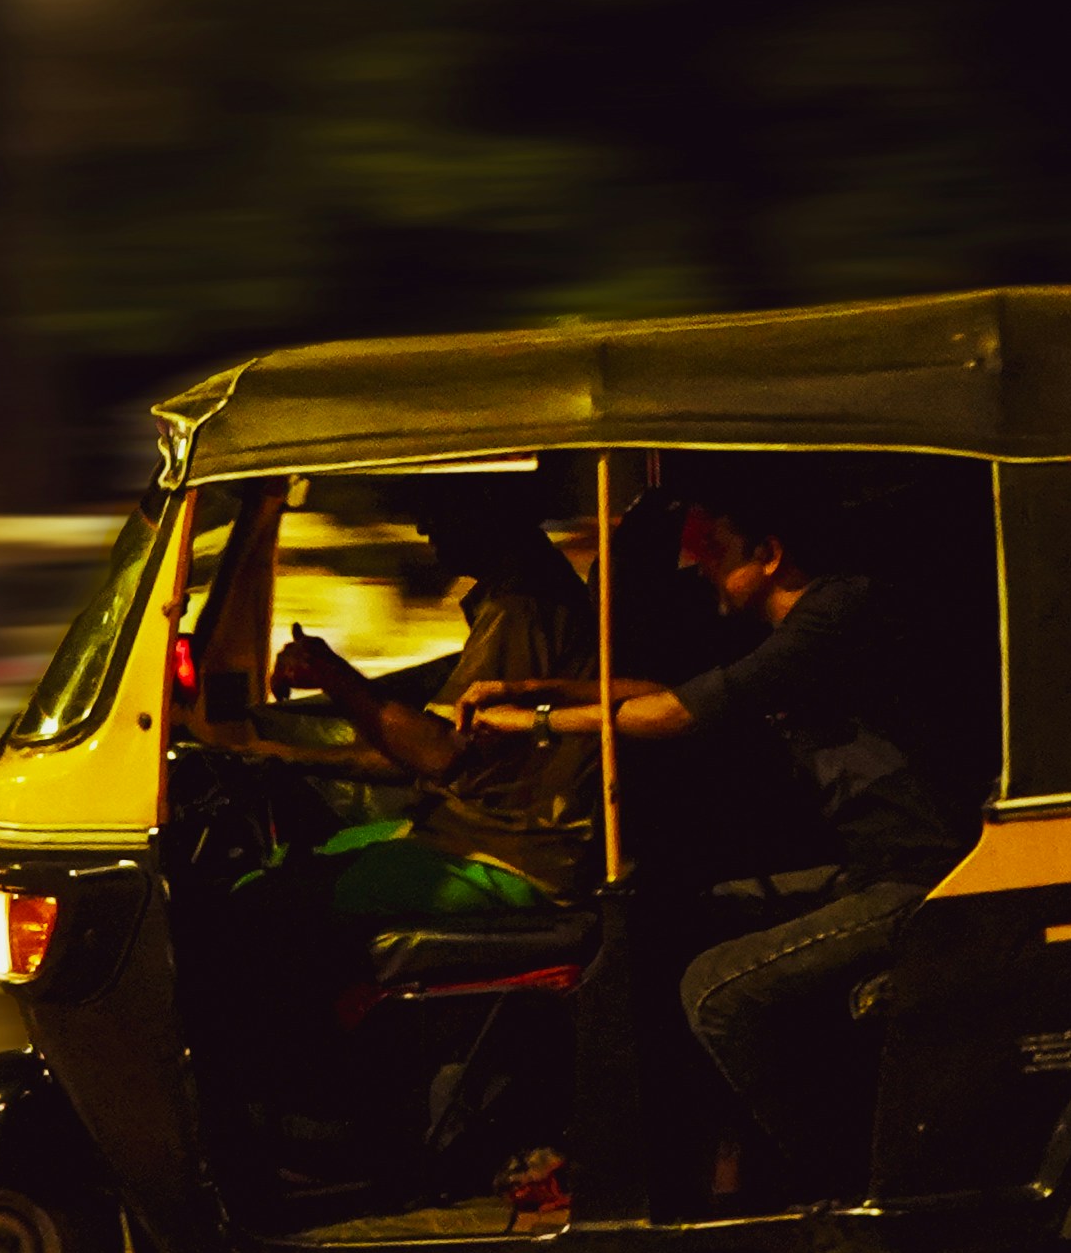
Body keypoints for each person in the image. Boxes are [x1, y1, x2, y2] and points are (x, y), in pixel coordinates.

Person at [464, 468, 963, 1194]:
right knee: (685, 922)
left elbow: (672, 717)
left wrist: (530, 725)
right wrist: (526, 688)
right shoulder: (801, 630)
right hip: (871, 866)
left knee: (715, 988)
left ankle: (851, 1182)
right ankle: (709, 1165)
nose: (700, 562)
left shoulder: (839, 613)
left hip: (921, 875)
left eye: (716, 545)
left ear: (769, 552)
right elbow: (669, 694)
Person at [258, 481, 600, 938]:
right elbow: (425, 749)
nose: (423, 526)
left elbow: (439, 754)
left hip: (514, 857)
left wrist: (333, 675)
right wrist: (286, 759)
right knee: (285, 862)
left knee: (264, 900)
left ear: (490, 507)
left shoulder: (523, 606)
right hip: (468, 833)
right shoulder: (513, 595)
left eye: (440, 508)